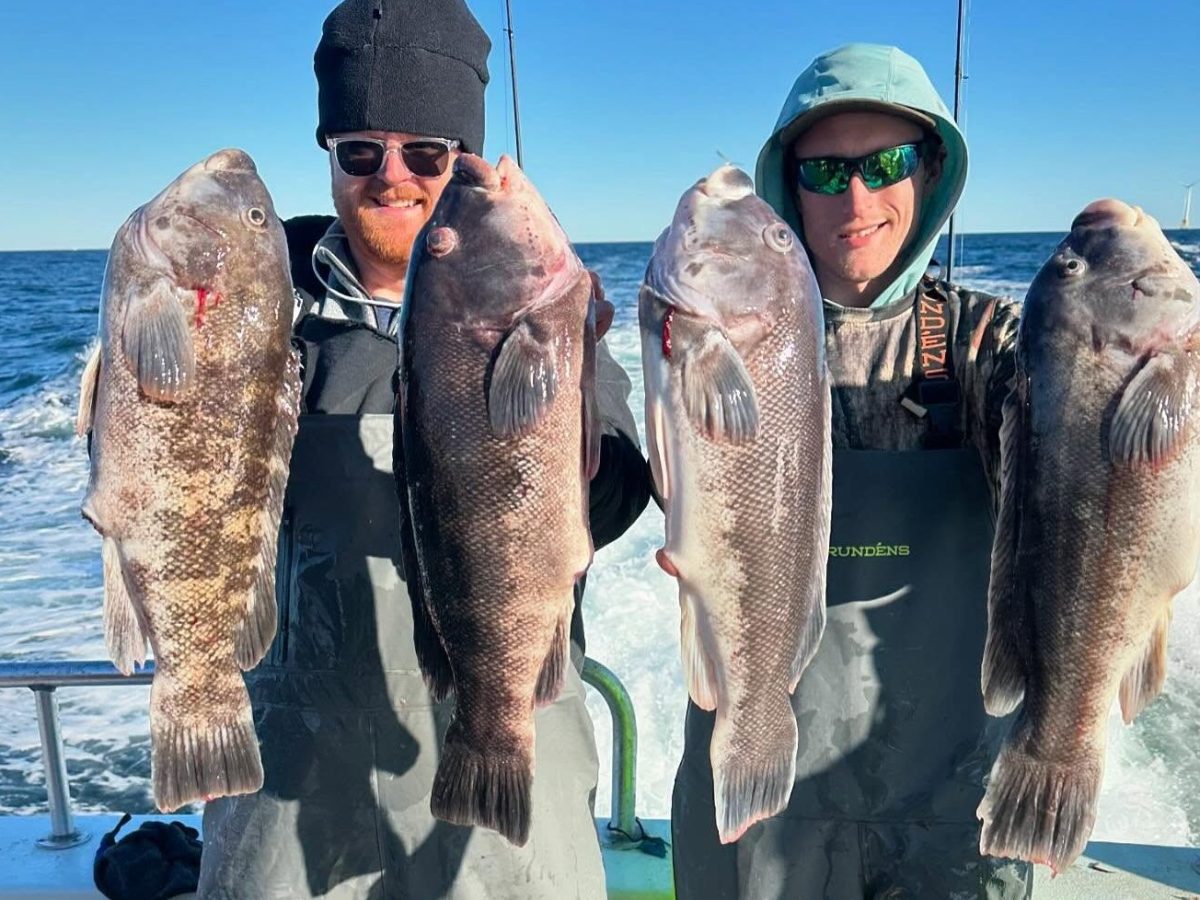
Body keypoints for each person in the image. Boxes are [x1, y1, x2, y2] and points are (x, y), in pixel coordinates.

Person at [197, 1, 651, 897]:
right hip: (285, 798)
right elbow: (159, 467)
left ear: (463, 159)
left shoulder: (550, 311)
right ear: (328, 154)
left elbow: (620, 485)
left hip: (507, 787)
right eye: (360, 151)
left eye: (427, 154)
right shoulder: (253, 310)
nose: (391, 176)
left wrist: (565, 401)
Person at [670, 43, 1034, 899]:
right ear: (787, 186)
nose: (858, 197)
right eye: (827, 173)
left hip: (950, 805)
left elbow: (1093, 469)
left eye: (886, 164)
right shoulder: (710, 340)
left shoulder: (991, 343)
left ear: (931, 171)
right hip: (757, 790)